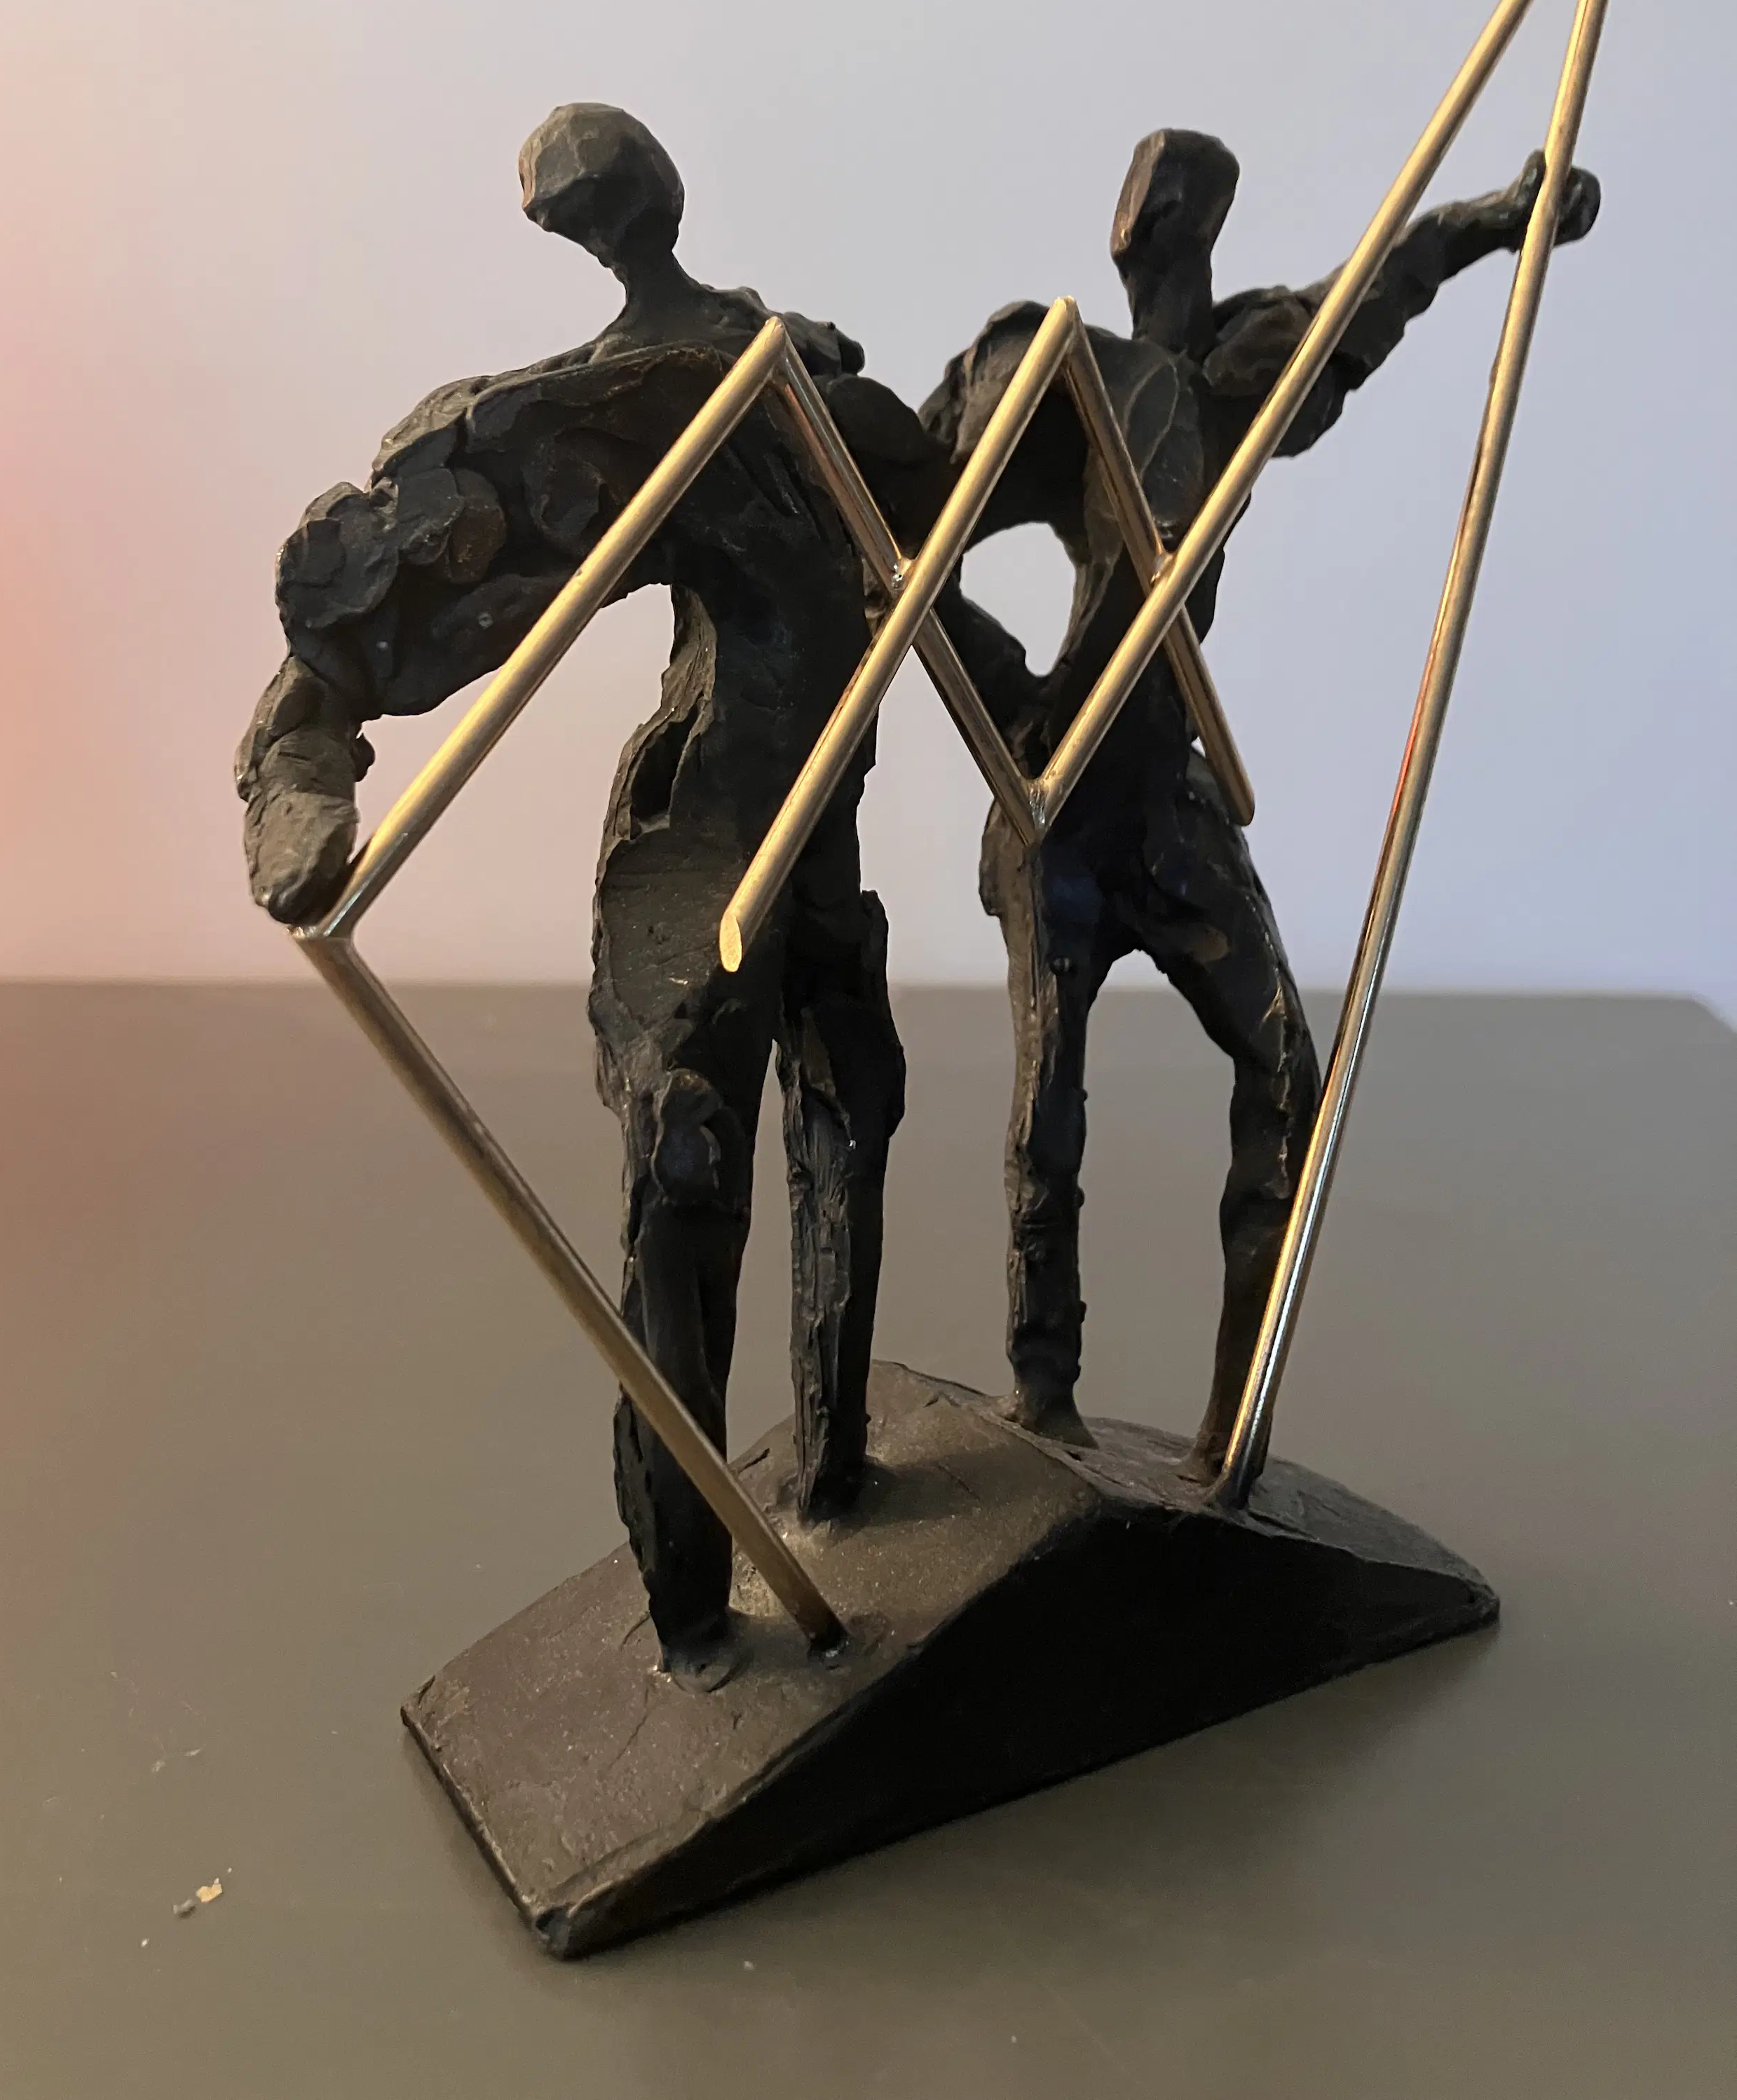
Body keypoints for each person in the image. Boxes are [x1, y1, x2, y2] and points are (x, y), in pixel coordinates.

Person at [236, 105, 908, 1680]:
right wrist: (304, 741)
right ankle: (693, 1606)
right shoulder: (625, 406)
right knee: (687, 1175)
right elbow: (429, 555)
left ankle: (832, 1470)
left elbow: (914, 535)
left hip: (818, 835)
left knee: (850, 1109)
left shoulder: (786, 368)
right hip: (705, 836)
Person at [917, 132, 1600, 1473]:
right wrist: (1014, 696)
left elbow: (1384, 278)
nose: (1149, 219)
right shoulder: (1055, 369)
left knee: (1285, 1069)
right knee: (1048, 1097)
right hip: (1060, 798)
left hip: (1168, 799)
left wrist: (1502, 214)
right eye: (1142, 201)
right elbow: (908, 540)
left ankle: (1230, 1436)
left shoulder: (1240, 370)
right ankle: (1042, 1395)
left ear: (1205, 226)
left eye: (1174, 202)